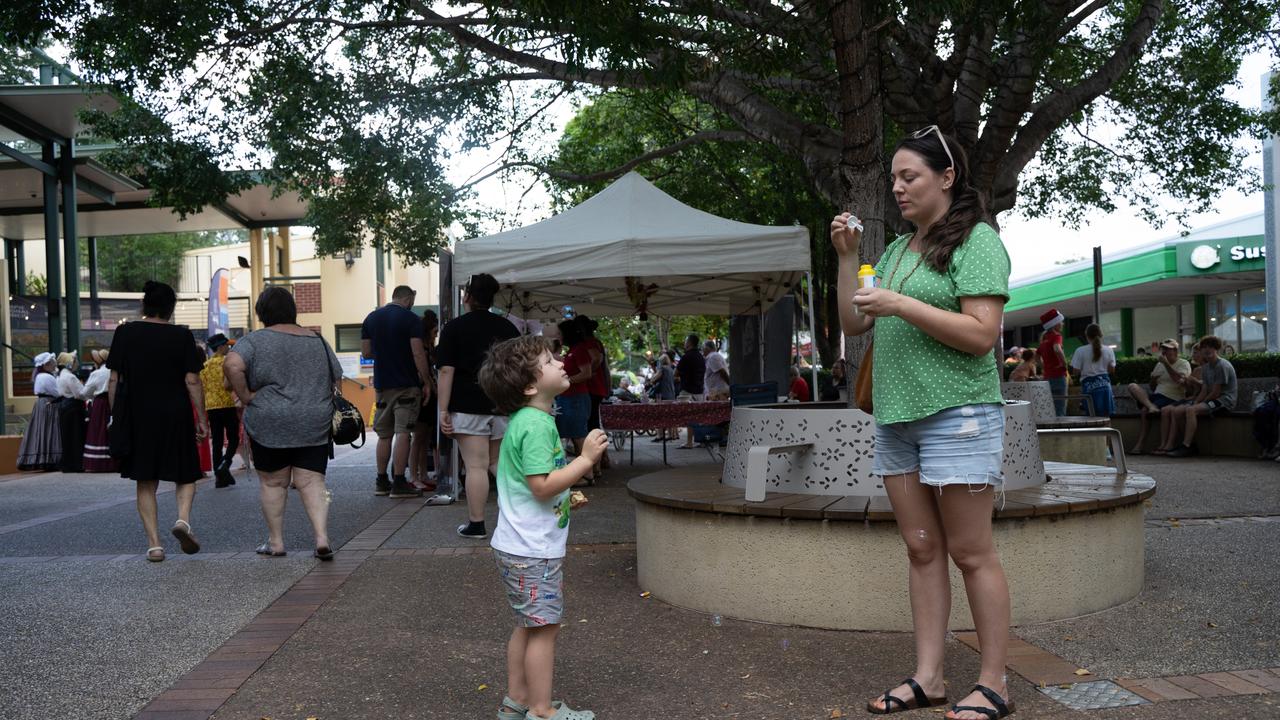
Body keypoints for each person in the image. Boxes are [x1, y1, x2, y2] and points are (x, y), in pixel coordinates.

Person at [833, 126, 1015, 720]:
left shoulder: (978, 241)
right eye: (893, 179)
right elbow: (854, 324)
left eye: (908, 176)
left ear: (947, 177)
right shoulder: (897, 250)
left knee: (971, 552)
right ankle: (929, 678)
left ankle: (994, 684)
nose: (897, 188)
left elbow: (983, 335)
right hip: (897, 417)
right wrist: (847, 261)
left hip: (958, 416)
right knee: (919, 549)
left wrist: (901, 304)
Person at [476, 334, 605, 720]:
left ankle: (515, 702)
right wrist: (585, 460)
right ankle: (542, 710)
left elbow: (534, 485)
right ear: (532, 385)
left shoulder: (528, 420)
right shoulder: (536, 425)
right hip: (532, 551)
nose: (561, 362)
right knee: (544, 629)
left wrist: (565, 498)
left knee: (528, 625)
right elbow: (541, 485)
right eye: (550, 361)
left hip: (520, 545)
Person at [224, 287, 343, 560]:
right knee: (313, 481)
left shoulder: (254, 341)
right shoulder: (317, 340)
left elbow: (232, 365)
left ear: (262, 313)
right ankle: (322, 538)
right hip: (314, 419)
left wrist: (246, 396)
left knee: (274, 483)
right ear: (293, 310)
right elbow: (336, 377)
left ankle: (276, 542)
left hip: (269, 419)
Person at [107, 281, 208, 562]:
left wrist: (117, 416)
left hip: (138, 415)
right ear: (170, 308)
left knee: (145, 479)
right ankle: (183, 520)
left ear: (144, 305)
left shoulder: (125, 333)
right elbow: (192, 380)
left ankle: (154, 545)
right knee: (186, 473)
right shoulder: (181, 336)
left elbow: (114, 379)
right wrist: (201, 418)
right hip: (175, 412)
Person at [437, 273, 520, 538]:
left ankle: (476, 523)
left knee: (475, 466)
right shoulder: (508, 329)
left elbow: (446, 371)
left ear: (468, 297)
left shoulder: (453, 328)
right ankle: (523, 512)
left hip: (466, 405)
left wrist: (442, 409)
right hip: (501, 404)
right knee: (497, 462)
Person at [361, 285, 433, 500]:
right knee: (403, 432)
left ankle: (381, 481)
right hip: (406, 385)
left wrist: (385, 354)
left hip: (382, 386)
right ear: (408, 299)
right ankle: (400, 482)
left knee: (384, 434)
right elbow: (418, 353)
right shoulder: (411, 320)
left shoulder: (371, 318)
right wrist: (427, 381)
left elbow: (366, 351)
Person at [1161, 335, 1237, 458]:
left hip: (1224, 401)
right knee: (1177, 411)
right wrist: (1196, 402)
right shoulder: (1206, 367)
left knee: (1191, 410)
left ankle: (1186, 446)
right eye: (1204, 347)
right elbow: (1205, 389)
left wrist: (1196, 405)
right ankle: (1190, 444)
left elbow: (1216, 393)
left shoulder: (1222, 365)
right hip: (1211, 399)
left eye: (1210, 347)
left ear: (1216, 349)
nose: (1207, 350)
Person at [1126, 339, 1191, 454]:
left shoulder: (1183, 363)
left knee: (1144, 411)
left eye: (1168, 349)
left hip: (1172, 397)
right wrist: (1153, 379)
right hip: (1157, 396)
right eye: (1164, 349)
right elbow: (1152, 387)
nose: (1165, 352)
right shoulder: (1159, 364)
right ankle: (1151, 406)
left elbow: (1179, 381)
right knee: (1132, 386)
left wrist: (1166, 364)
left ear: (1175, 351)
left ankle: (1140, 444)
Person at [554, 319, 594, 476]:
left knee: (579, 436)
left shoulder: (579, 350)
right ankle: (585, 473)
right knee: (575, 435)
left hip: (576, 398)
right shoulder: (573, 350)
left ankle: (587, 473)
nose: (558, 336)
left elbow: (586, 373)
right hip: (569, 398)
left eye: (560, 333)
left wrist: (566, 381)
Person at [201, 333, 240, 488]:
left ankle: (220, 478)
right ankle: (226, 462)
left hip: (211, 407)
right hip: (227, 404)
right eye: (226, 345)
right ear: (220, 346)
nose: (228, 347)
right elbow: (228, 385)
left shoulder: (205, 366)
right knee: (233, 438)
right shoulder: (227, 362)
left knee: (217, 442)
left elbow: (203, 387)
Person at [410, 309, 441, 492]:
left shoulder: (428, 348)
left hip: (431, 395)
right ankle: (413, 476)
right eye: (435, 332)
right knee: (418, 438)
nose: (436, 335)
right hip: (423, 395)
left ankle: (423, 474)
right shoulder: (420, 348)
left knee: (424, 437)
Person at [576, 315, 612, 473]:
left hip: (592, 387)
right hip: (596, 387)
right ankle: (603, 457)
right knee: (594, 423)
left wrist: (589, 370)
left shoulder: (589, 342)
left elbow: (597, 358)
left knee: (592, 424)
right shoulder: (595, 342)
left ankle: (598, 460)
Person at [17, 352, 62, 471]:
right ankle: (51, 458)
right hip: (49, 403)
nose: (54, 364)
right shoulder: (46, 377)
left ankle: (42, 457)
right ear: (46, 365)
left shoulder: (40, 376)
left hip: (42, 404)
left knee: (42, 430)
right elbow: (57, 392)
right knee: (49, 430)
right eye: (52, 363)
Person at [1069, 324, 1116, 417]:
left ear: (1087, 336)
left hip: (1089, 388)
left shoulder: (1080, 351)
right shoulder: (1109, 350)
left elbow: (1075, 371)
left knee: (1092, 417)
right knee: (1107, 417)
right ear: (1101, 335)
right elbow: (1112, 370)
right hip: (1105, 387)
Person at [82, 349, 117, 473]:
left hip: (100, 404)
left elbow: (84, 393)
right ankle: (114, 460)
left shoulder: (96, 374)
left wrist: (91, 398)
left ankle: (98, 463)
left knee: (98, 431)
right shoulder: (114, 372)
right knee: (112, 430)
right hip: (113, 402)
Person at [55, 351, 88, 473]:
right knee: (76, 436)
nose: (76, 363)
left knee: (67, 436)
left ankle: (68, 463)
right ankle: (76, 464)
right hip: (74, 407)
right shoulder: (70, 377)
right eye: (74, 361)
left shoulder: (60, 376)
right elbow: (80, 393)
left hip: (65, 407)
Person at [675, 334, 706, 449]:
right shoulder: (700, 357)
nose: (684, 343)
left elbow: (676, 373)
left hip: (687, 391)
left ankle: (689, 442)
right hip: (699, 390)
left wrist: (681, 376)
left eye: (685, 340)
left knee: (689, 417)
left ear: (689, 343)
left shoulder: (686, 357)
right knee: (699, 417)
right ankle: (701, 440)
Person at [1036, 308, 1068, 415]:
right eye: (1060, 322)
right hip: (1059, 375)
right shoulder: (1056, 336)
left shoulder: (1044, 339)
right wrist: (1064, 364)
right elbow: (1057, 349)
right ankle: (1061, 430)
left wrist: (1044, 367)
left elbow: (1036, 356)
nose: (1062, 324)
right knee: (1060, 407)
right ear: (1055, 324)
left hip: (1047, 377)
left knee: (1050, 407)